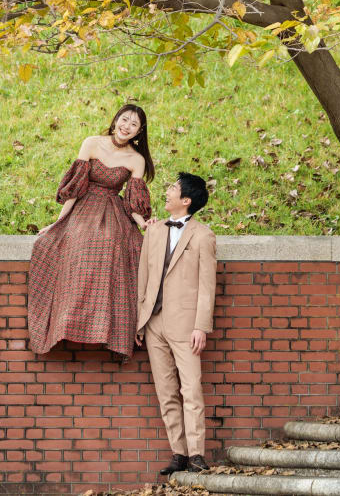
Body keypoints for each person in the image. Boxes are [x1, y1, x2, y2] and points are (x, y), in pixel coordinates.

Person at [27, 104, 154, 360]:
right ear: (116, 119)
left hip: (111, 210)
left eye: (133, 125)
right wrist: (58, 222)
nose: (126, 126)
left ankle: (108, 326)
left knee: (114, 248)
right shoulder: (92, 143)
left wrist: (142, 223)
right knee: (73, 244)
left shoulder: (136, 159)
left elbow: (132, 200)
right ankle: (67, 319)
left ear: (139, 132)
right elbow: (76, 187)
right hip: (84, 207)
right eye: (124, 119)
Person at [135, 172, 216, 476]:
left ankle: (196, 454)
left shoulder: (204, 236)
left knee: (191, 389)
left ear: (186, 200)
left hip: (186, 326)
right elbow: (144, 277)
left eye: (172, 188)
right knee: (166, 392)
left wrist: (201, 326)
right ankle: (178, 453)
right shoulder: (153, 233)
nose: (166, 192)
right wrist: (139, 322)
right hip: (154, 324)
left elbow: (208, 285)